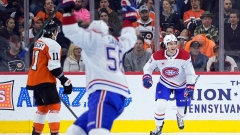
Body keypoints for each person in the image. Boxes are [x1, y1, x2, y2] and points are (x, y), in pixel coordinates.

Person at [61, 0, 137, 135]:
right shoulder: (117, 43)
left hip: (104, 91)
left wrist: (68, 11)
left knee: (98, 131)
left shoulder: (93, 40)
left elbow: (70, 30)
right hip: (119, 94)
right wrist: (128, 18)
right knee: (75, 131)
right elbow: (131, 37)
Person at [142, 34, 196, 135]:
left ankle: (179, 117)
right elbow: (147, 68)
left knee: (182, 111)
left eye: (175, 43)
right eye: (170, 44)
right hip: (165, 83)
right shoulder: (157, 56)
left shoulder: (185, 56)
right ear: (165, 45)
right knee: (160, 105)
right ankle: (158, 127)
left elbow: (190, 73)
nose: (173, 46)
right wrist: (147, 78)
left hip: (182, 84)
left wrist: (190, 86)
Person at [26, 21, 73, 135]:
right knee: (54, 107)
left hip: (34, 79)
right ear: (54, 32)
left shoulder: (38, 42)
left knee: (42, 109)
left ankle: (36, 133)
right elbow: (54, 67)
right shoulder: (53, 44)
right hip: (44, 80)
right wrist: (64, 80)